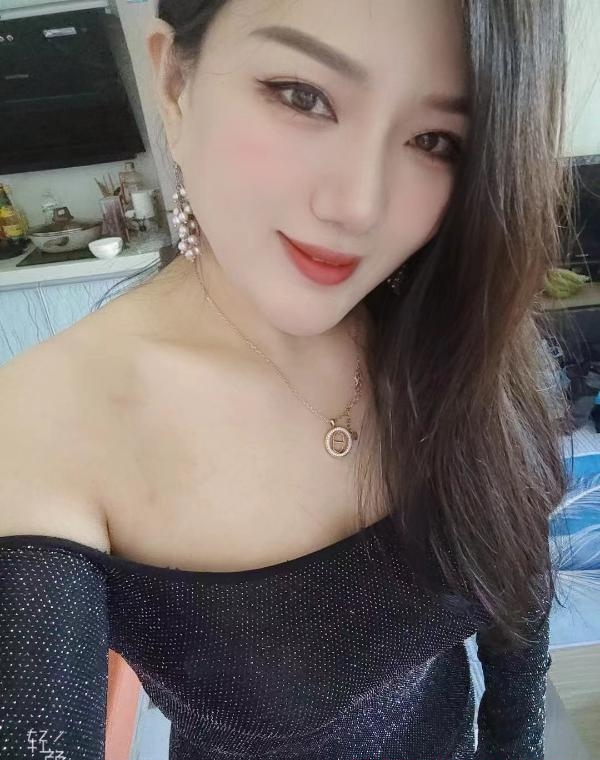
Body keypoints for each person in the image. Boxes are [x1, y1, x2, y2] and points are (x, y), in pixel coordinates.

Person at [0, 0, 574, 758]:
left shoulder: (459, 333)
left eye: (435, 140)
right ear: (174, 84)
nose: (358, 207)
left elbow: (517, 600)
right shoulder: (42, 428)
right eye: (303, 96)